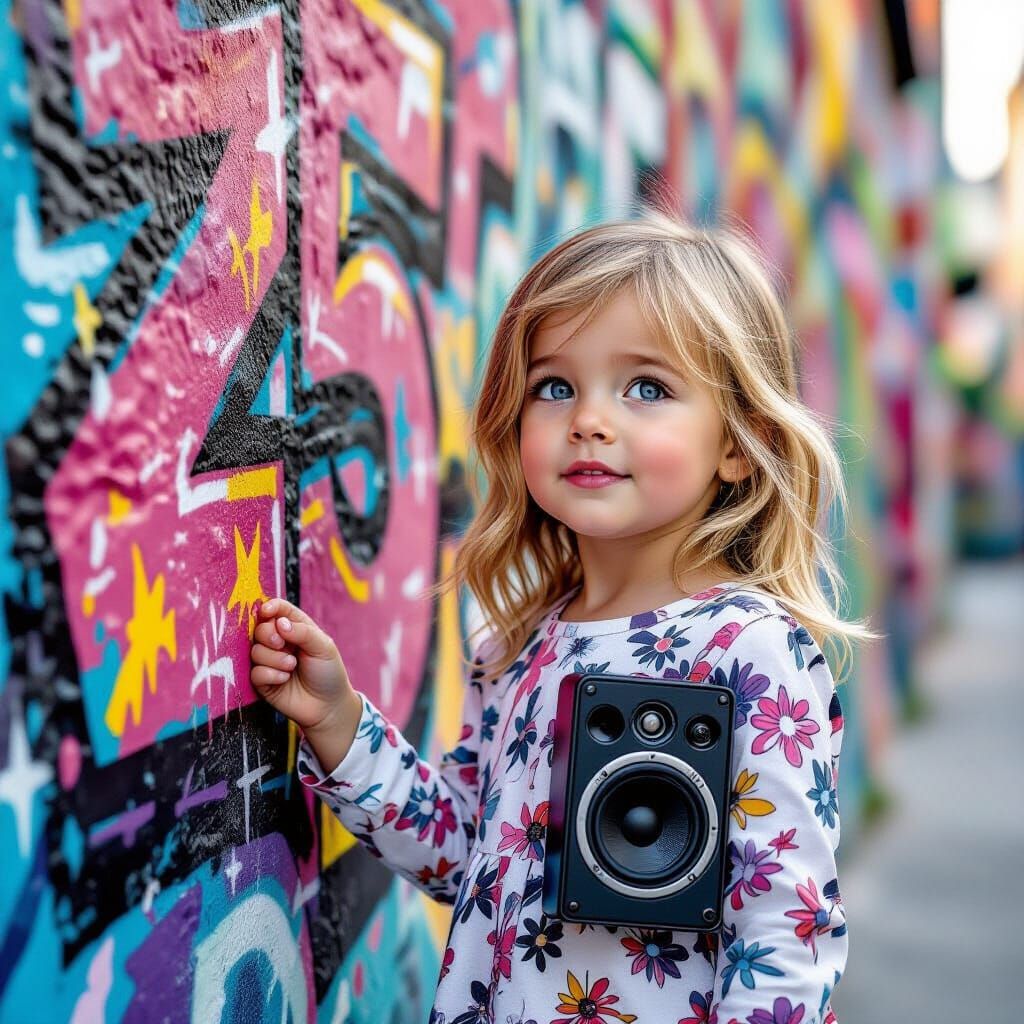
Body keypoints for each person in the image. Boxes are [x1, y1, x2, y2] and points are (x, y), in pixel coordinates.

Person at [250, 213, 879, 1024]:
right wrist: (339, 722)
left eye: (646, 388)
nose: (588, 418)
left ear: (739, 442)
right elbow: (465, 856)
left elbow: (786, 933)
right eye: (555, 387)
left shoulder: (750, 651)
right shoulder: (515, 646)